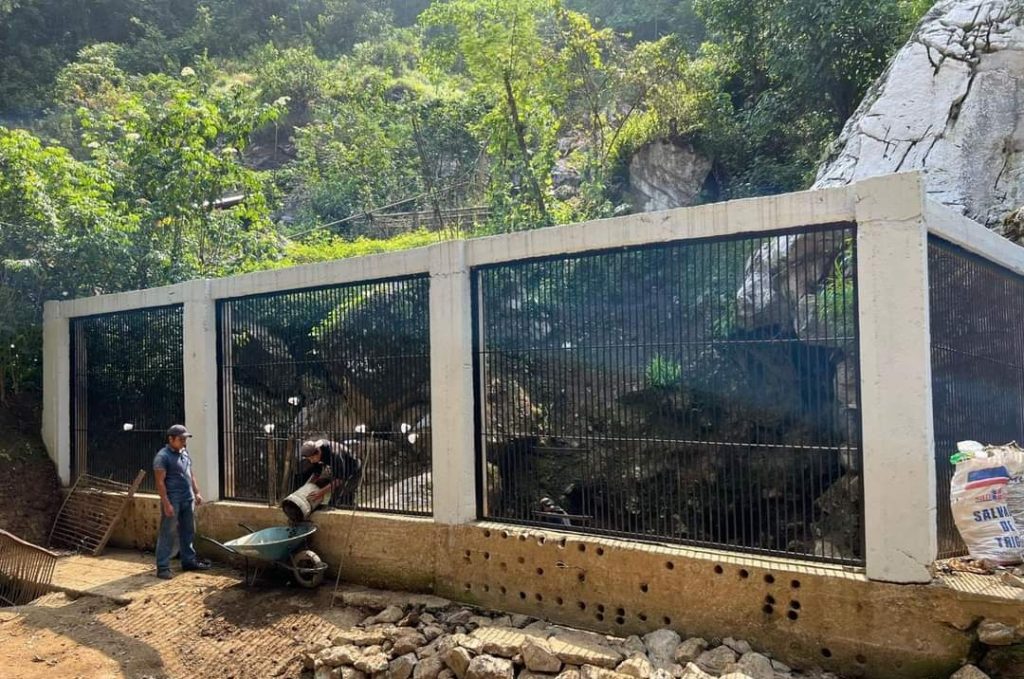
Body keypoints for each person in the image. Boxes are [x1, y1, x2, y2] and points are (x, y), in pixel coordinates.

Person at [153, 424, 211, 579]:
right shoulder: (162, 457)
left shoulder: (184, 453)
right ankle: (163, 567)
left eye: (185, 439)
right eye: (180, 439)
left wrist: (197, 492)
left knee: (188, 530)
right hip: (173, 499)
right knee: (168, 532)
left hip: (188, 498)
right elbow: (160, 482)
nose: (184, 442)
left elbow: (190, 474)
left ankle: (189, 561)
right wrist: (166, 503)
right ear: (170, 439)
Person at [299, 439, 363, 508]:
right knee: (335, 498)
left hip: (353, 471)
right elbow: (317, 473)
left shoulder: (334, 454)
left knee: (341, 500)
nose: (311, 461)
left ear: (318, 452)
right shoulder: (314, 452)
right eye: (309, 459)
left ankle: (349, 507)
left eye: (312, 458)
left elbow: (339, 479)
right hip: (339, 471)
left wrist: (320, 493)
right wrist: (307, 486)